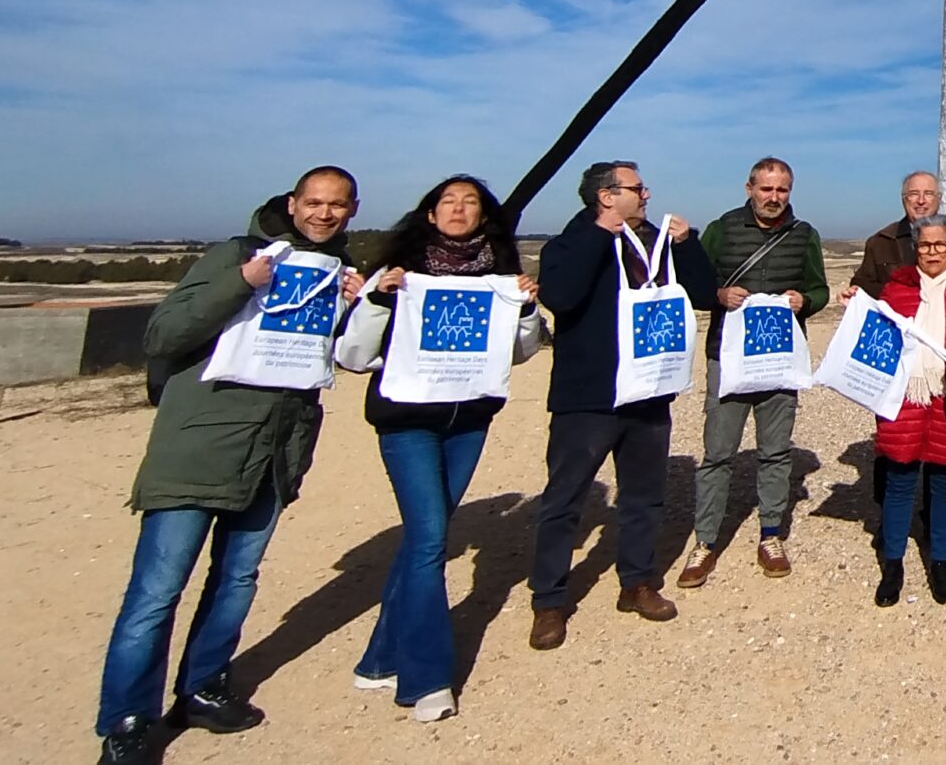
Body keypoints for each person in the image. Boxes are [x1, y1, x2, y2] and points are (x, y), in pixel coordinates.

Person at [94, 168, 368, 765]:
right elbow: (163, 335)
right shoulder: (236, 256)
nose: (324, 214)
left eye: (337, 206)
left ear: (351, 211)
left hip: (272, 454)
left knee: (236, 580)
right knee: (157, 591)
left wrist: (353, 309)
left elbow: (326, 359)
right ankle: (128, 722)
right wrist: (240, 283)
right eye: (314, 203)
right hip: (198, 448)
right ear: (293, 204)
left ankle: (202, 688)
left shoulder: (333, 272)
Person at [333, 175, 545, 724]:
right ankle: (426, 679)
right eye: (447, 201)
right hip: (406, 422)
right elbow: (353, 355)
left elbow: (518, 355)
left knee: (426, 537)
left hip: (468, 421)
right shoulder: (397, 274)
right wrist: (378, 300)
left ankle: (379, 658)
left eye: (469, 202)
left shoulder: (498, 274)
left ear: (484, 216)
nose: (458, 209)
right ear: (429, 214)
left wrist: (525, 312)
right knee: (430, 538)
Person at [526, 161, 717, 650]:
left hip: (649, 392)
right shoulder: (567, 244)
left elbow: (701, 293)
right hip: (588, 396)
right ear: (606, 197)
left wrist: (688, 245)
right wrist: (598, 237)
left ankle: (637, 582)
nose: (647, 194)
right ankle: (548, 600)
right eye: (637, 188)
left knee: (644, 497)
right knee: (564, 500)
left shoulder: (655, 243)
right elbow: (563, 299)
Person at [678, 158, 826, 589]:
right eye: (766, 189)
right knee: (717, 453)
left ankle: (771, 535)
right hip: (728, 357)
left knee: (776, 453)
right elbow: (694, 284)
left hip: (780, 359)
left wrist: (807, 300)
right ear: (749, 188)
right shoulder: (722, 229)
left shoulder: (805, 235)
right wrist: (718, 294)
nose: (774, 198)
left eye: (782, 190)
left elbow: (819, 287)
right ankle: (705, 541)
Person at [874, 214, 946, 608]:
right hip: (904, 398)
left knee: (944, 483)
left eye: (940, 245)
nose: (932, 252)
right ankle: (893, 564)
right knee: (898, 480)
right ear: (915, 247)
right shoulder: (895, 289)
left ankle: (941, 562)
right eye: (925, 245)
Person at [853, 171, 946, 299]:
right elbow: (862, 286)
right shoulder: (881, 242)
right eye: (914, 194)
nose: (921, 201)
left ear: (939, 199)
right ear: (904, 199)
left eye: (928, 194)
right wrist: (899, 295)